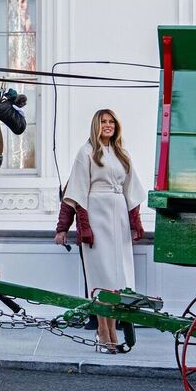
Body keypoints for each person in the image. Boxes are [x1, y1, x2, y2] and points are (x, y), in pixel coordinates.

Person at [54, 109, 145, 353]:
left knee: (118, 280)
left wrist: (136, 224)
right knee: (101, 278)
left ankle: (111, 331)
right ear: (96, 125)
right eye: (103, 122)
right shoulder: (86, 153)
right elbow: (74, 193)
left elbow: (132, 192)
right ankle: (103, 332)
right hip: (96, 216)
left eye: (111, 122)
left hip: (119, 220)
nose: (108, 125)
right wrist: (63, 228)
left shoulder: (121, 154)